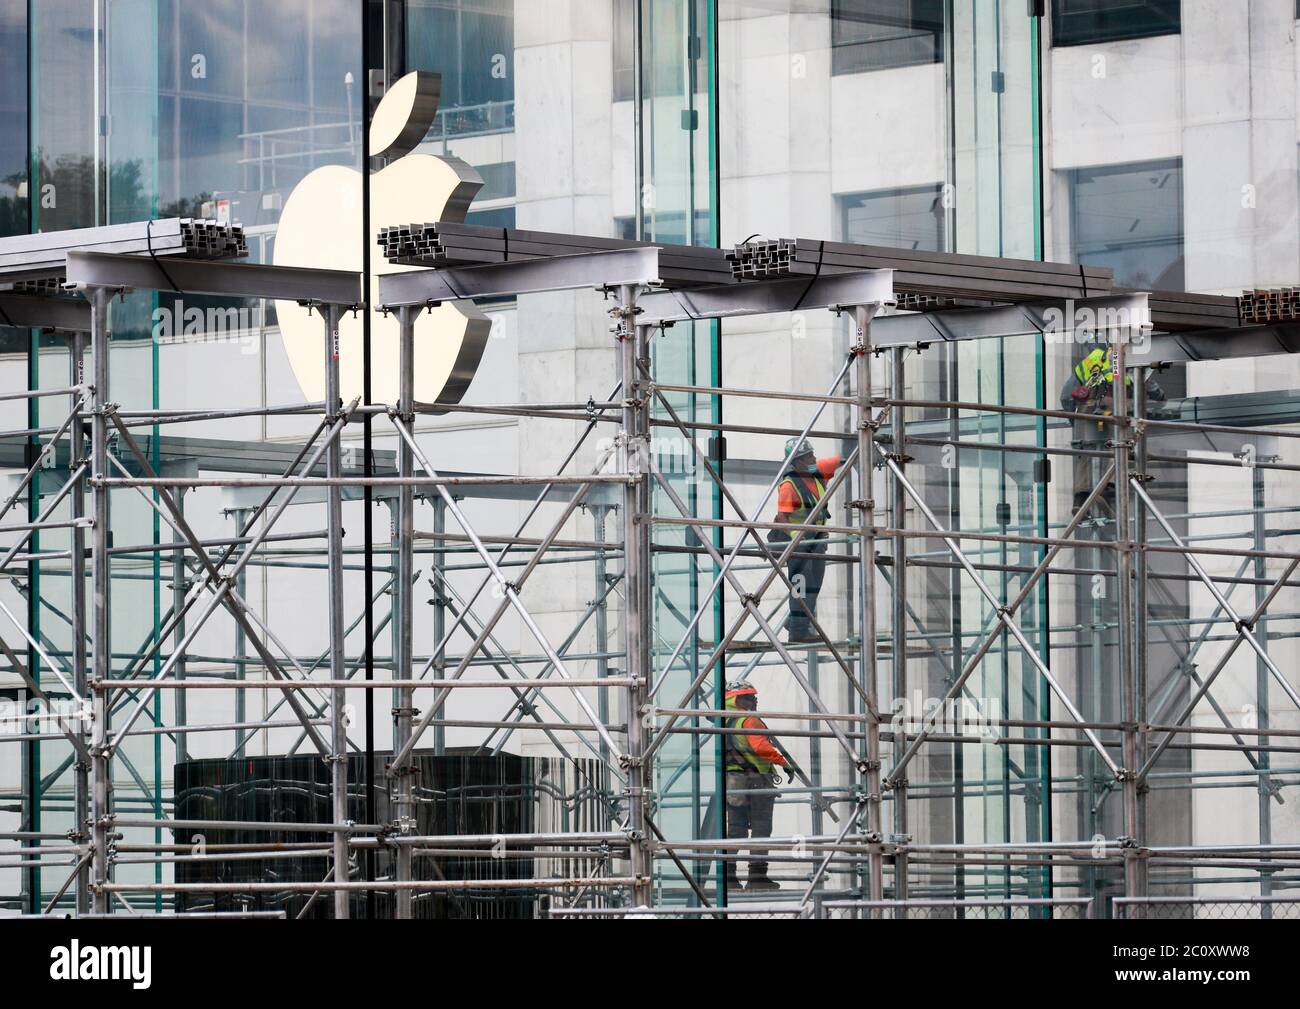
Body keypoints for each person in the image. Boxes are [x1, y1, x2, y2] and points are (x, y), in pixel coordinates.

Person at [1060, 346, 1165, 512]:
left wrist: (1075, 421)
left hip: (1090, 412)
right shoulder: (1128, 357)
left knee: (1087, 452)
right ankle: (1109, 489)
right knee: (1123, 449)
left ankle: (1081, 499)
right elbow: (1151, 388)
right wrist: (1161, 399)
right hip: (1119, 413)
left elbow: (1066, 396)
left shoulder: (1091, 360)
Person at [724, 680, 794, 891]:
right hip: (756, 782)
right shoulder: (748, 721)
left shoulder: (726, 721)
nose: (753, 701)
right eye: (749, 697)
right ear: (738, 700)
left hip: (733, 783)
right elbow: (762, 747)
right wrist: (784, 763)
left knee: (735, 830)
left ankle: (728, 878)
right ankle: (757, 876)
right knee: (761, 828)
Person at [771, 437, 842, 643]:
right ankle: (798, 631)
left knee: (814, 585)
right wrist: (796, 536)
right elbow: (783, 517)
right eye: (809, 456)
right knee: (801, 585)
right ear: (797, 461)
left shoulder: (817, 471)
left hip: (818, 540)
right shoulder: (789, 486)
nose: (814, 457)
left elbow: (842, 460)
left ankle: (795, 621)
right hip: (798, 544)